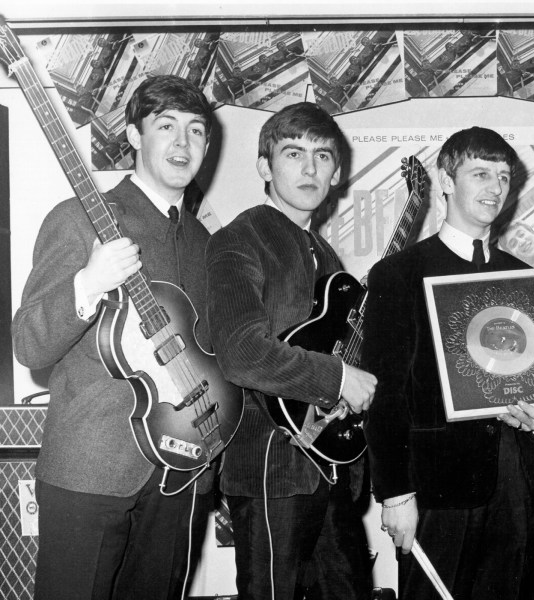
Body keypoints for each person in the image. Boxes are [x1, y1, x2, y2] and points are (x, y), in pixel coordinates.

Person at [13, 74, 216, 599]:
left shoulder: (203, 241)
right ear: (132, 135)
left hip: (180, 471)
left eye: (196, 131)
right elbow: (29, 345)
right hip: (90, 470)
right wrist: (88, 284)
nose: (182, 143)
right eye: (165, 126)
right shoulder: (80, 218)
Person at [362, 126, 534, 600]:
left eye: (504, 177)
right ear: (446, 180)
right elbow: (384, 394)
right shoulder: (398, 274)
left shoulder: (525, 278)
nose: (494, 189)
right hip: (435, 491)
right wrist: (395, 494)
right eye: (480, 174)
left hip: (515, 485)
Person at [205, 102, 377, 599]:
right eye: (293, 153)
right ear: (265, 166)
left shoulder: (324, 253)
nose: (309, 168)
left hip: (330, 467)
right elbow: (240, 352)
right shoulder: (240, 239)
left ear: (337, 172)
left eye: (322, 156)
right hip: (269, 468)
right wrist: (339, 378)